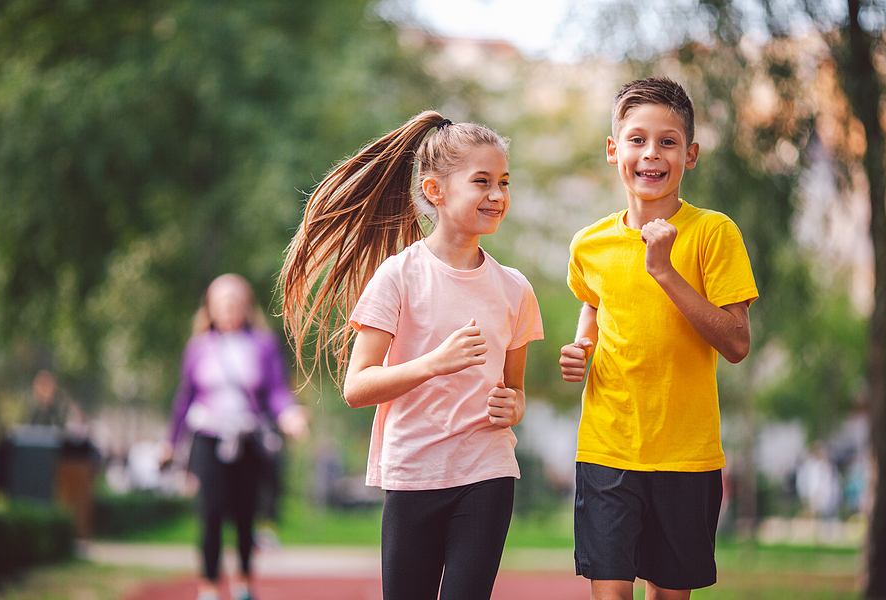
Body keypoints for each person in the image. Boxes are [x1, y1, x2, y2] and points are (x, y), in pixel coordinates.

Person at [280, 111, 544, 600]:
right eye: (482, 181)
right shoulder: (398, 276)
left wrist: (516, 407)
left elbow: (515, 393)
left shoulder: (515, 289)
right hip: (414, 472)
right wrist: (434, 363)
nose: (497, 195)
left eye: (504, 182)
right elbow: (357, 387)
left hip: (487, 471)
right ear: (436, 190)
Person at [559, 77, 758, 600]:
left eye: (668, 142)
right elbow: (594, 303)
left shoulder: (715, 233)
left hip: (686, 458)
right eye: (638, 139)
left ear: (689, 155)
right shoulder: (589, 244)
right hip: (607, 449)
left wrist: (666, 272)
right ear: (613, 150)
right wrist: (582, 346)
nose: (652, 154)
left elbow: (737, 343)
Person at [161, 273, 308, 600]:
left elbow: (277, 392)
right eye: (221, 303)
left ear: (246, 306)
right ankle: (209, 588)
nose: (228, 309)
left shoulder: (263, 345)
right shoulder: (198, 347)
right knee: (210, 514)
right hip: (208, 440)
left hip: (248, 441)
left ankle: (243, 584)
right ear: (210, 308)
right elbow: (184, 399)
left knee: (245, 515)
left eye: (235, 302)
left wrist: (290, 415)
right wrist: (170, 442)